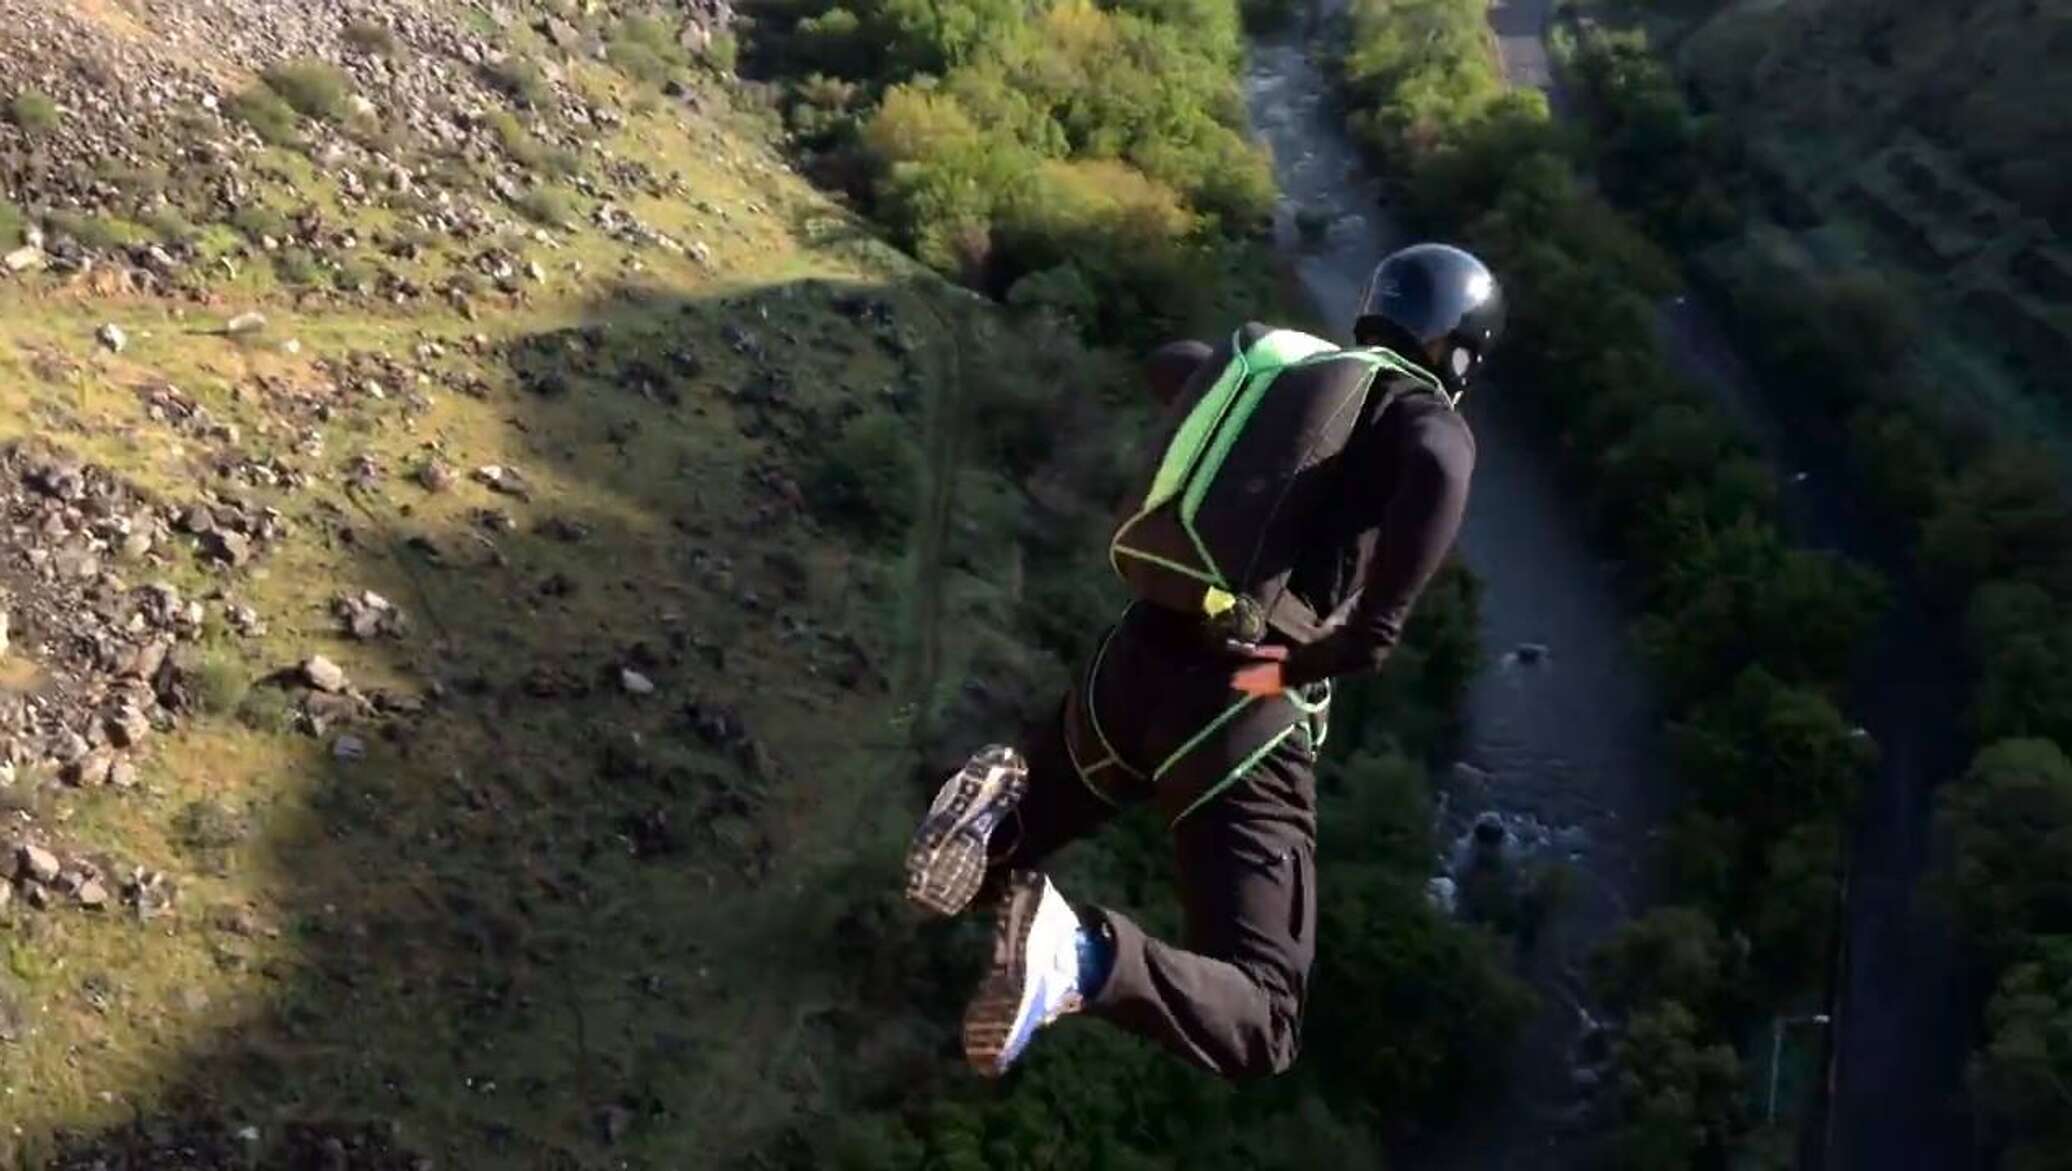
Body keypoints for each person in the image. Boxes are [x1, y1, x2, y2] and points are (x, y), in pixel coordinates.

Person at [904, 242, 1505, 1080]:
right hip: (1241, 694)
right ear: (1460, 352)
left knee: (1056, 803)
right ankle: (1077, 960)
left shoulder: (1298, 375)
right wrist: (1373, 628)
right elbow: (1446, 457)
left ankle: (993, 829)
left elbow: (1172, 363)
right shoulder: (1417, 408)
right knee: (1265, 1018)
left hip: (1133, 658)